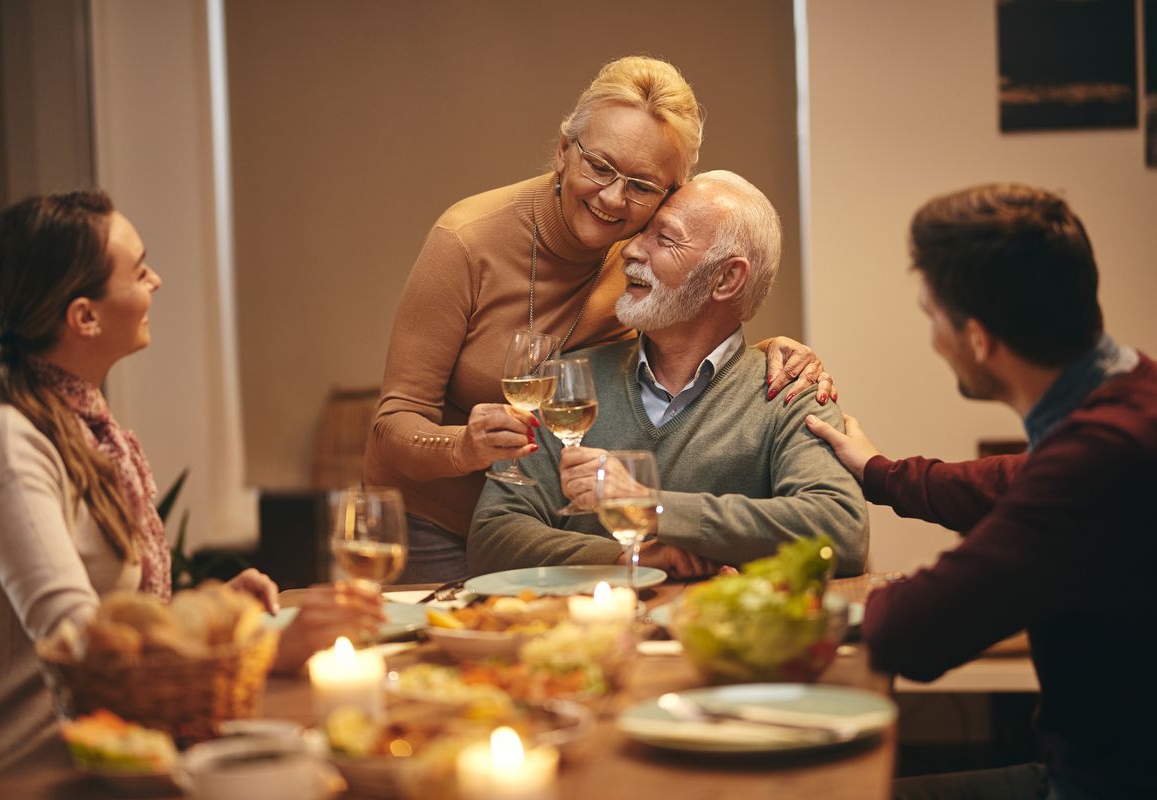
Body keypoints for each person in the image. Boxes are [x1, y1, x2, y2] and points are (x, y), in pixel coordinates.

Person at [0, 191, 383, 785]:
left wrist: (209, 615)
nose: (155, 281)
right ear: (85, 316)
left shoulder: (84, 427)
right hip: (41, 772)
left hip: (122, 750)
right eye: (137, 271)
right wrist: (262, 650)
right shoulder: (8, 441)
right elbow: (87, 646)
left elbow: (120, 619)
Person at [366, 55, 838, 583]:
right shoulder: (466, 240)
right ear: (564, 150)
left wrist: (767, 354)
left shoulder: (635, 251)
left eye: (641, 185)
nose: (613, 198)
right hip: (432, 519)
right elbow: (392, 423)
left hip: (551, 528)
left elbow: (702, 311)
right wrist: (462, 447)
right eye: (600, 167)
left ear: (669, 193)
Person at [805, 183, 1157, 799]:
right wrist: (878, 472)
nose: (932, 336)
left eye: (931, 315)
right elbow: (1014, 482)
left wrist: (823, 609)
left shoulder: (1094, 461)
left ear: (977, 339)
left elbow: (916, 633)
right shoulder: (1130, 399)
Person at [468, 171, 869, 578]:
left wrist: (653, 507)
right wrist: (628, 560)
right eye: (643, 232)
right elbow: (493, 534)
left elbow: (840, 531)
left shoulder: (790, 389)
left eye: (663, 238)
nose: (630, 250)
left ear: (727, 278)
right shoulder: (570, 383)